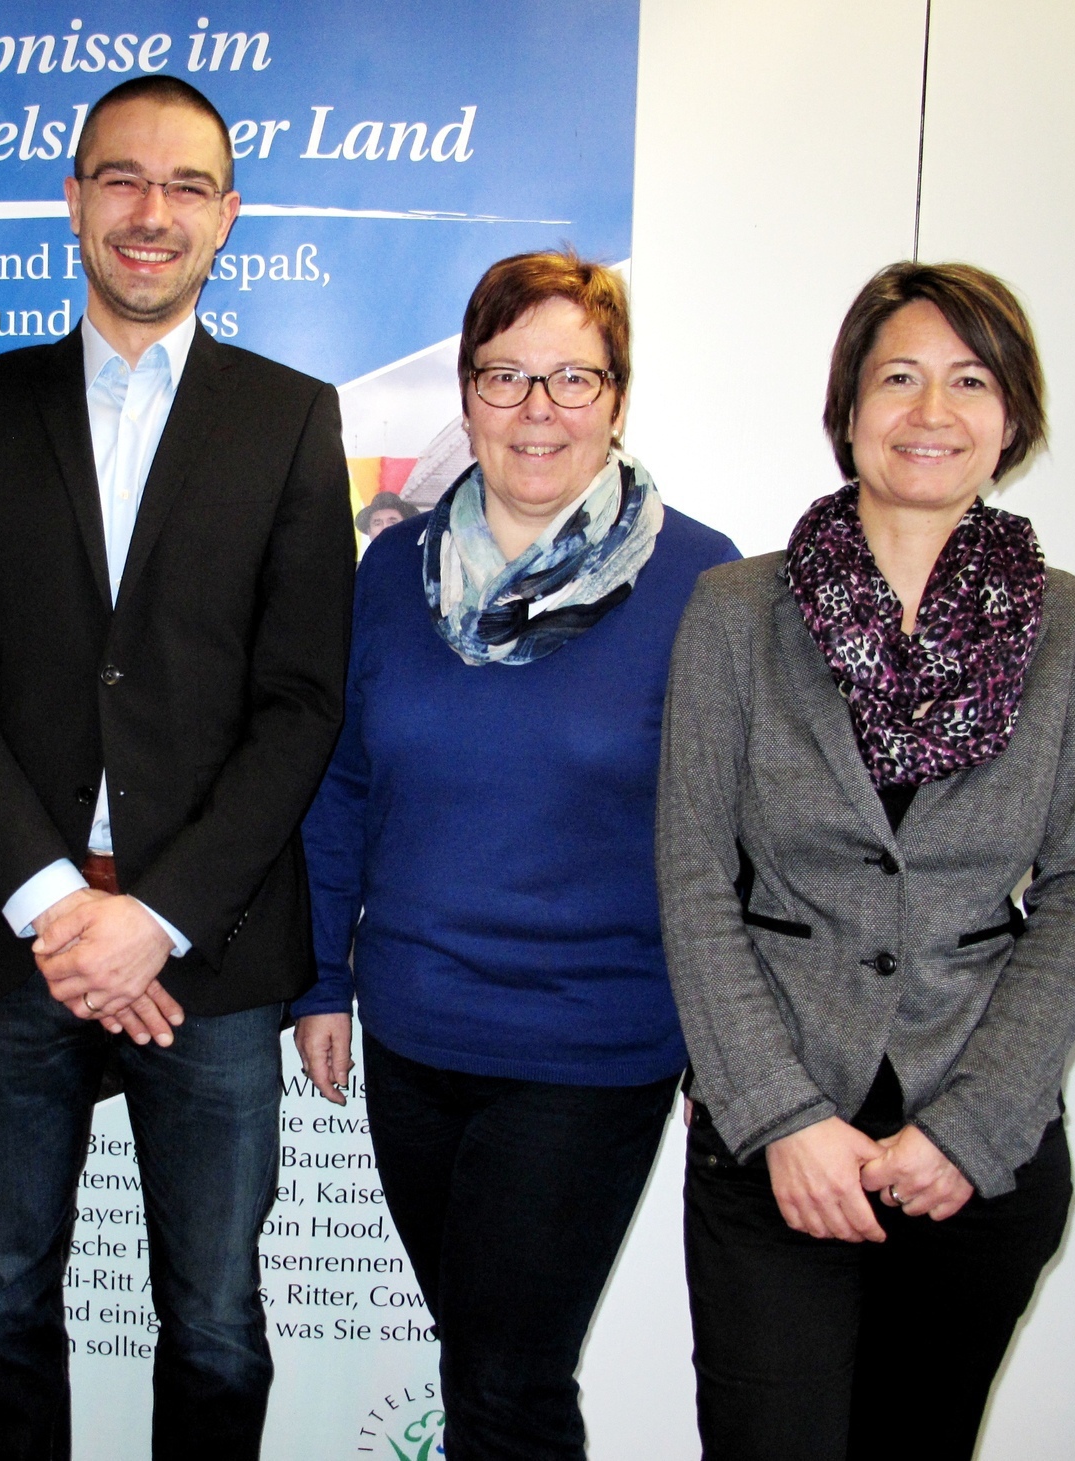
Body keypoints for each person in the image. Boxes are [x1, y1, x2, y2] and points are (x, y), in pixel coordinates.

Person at [0, 75, 353, 1459]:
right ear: (75, 197)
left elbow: (300, 702)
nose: (151, 214)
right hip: (10, 938)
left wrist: (147, 920)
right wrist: (53, 903)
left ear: (228, 216)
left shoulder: (289, 418)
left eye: (186, 186)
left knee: (214, 1317)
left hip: (204, 948)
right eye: (122, 179)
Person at [656, 261, 1075, 1461]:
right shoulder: (733, 609)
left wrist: (972, 1130)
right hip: (775, 1142)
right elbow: (691, 882)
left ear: (1010, 416)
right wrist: (779, 1117)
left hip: (974, 1152)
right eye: (899, 378)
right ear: (848, 410)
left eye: (968, 382)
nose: (932, 412)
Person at [294, 251, 740, 1460]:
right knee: (476, 1357)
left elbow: (732, 829)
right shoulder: (391, 573)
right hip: (415, 1035)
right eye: (504, 376)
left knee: (506, 1379)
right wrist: (321, 980)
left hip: (590, 1047)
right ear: (464, 391)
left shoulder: (704, 582)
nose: (536, 410)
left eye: (571, 378)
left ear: (616, 396)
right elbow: (339, 788)